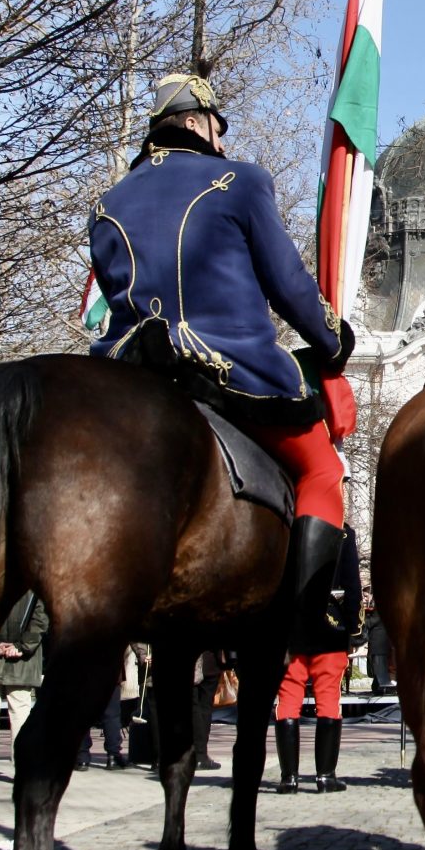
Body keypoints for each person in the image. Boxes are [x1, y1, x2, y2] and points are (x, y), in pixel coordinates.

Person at [89, 71, 354, 601]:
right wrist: (332, 341)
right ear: (193, 122)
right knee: (323, 470)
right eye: (217, 127)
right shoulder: (238, 181)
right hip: (227, 367)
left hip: (127, 370)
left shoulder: (107, 204)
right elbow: (288, 284)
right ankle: (307, 617)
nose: (222, 140)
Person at [275, 525, 362, 793]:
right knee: (328, 699)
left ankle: (289, 778)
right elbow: (352, 586)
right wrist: (354, 629)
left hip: (292, 627)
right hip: (330, 626)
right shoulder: (343, 534)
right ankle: (325, 776)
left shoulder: (286, 527)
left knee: (288, 699)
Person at [0, 591, 46, 784]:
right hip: (23, 660)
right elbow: (40, 618)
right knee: (20, 712)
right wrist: (23, 646)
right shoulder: (33, 585)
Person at [363, 601, 392, 695]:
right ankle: (378, 687)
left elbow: (370, 623)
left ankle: (381, 688)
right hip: (378, 644)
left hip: (378, 644)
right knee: (378, 667)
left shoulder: (379, 611)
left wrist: (364, 618)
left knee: (379, 667)